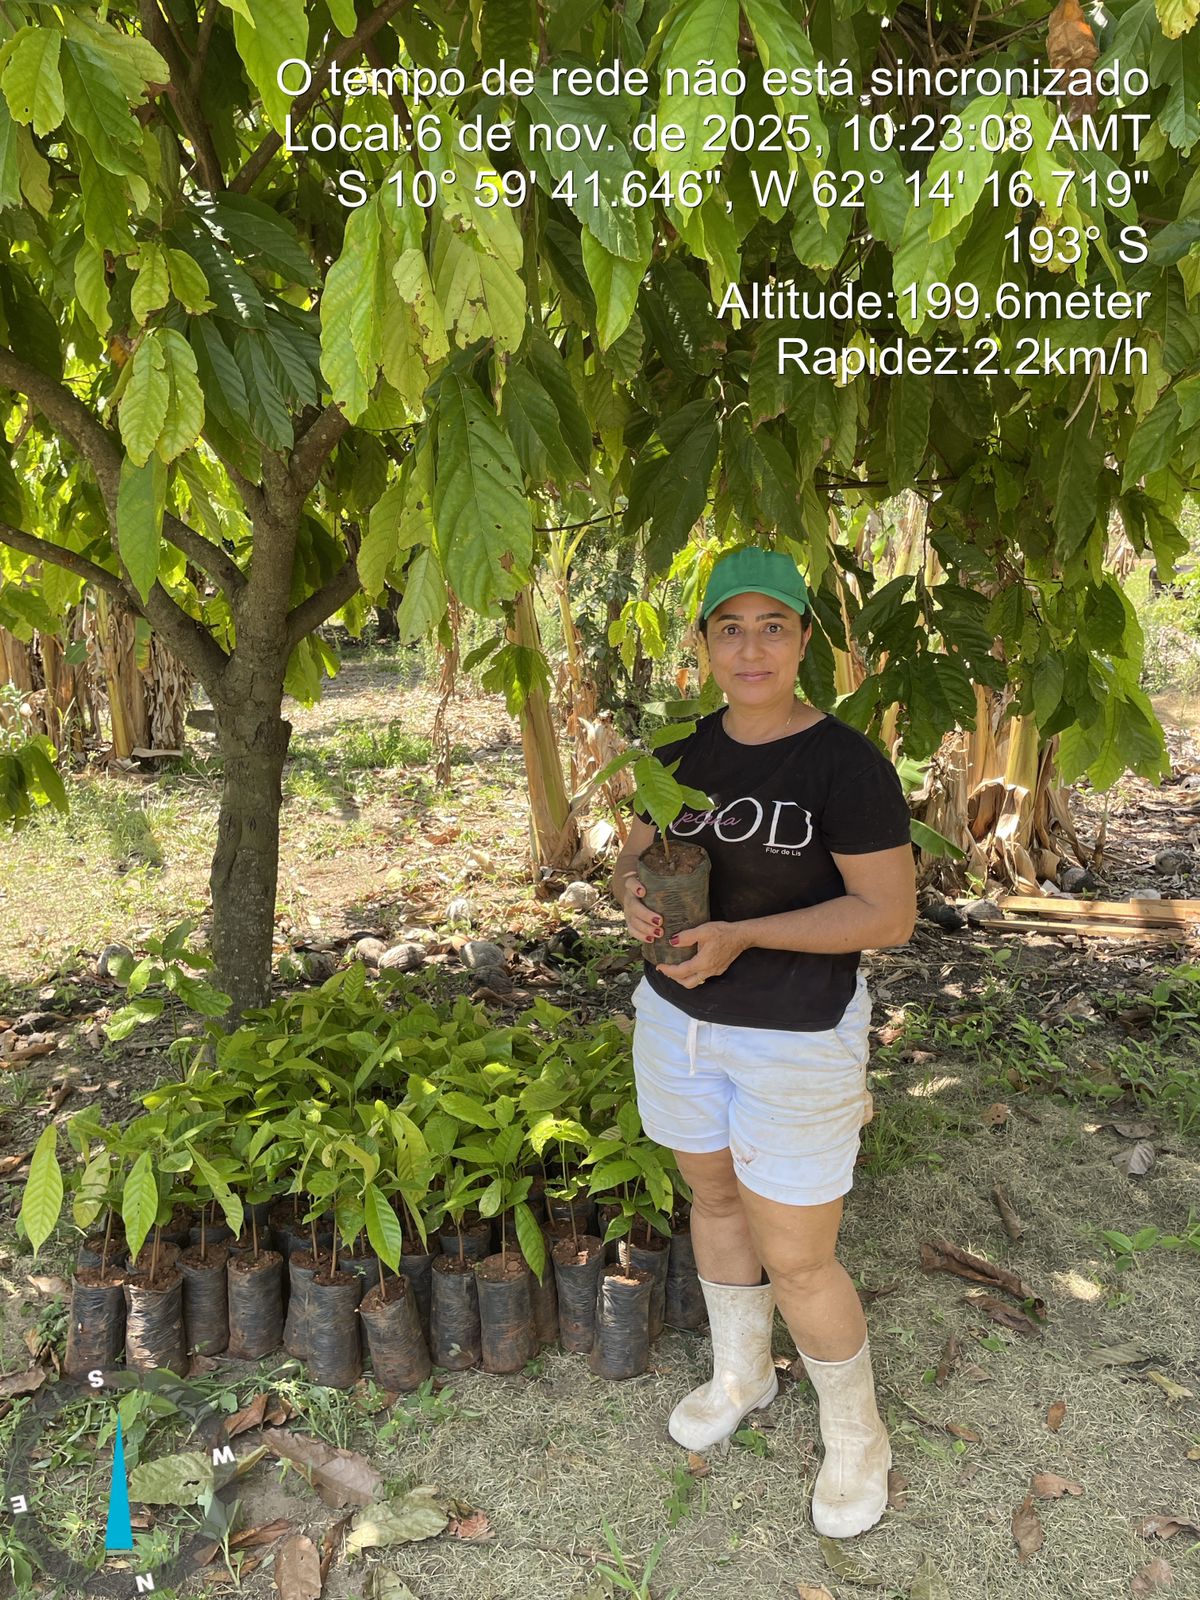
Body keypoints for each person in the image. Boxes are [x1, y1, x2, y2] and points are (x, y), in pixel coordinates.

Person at [610, 547, 916, 1540]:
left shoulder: (845, 764)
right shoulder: (680, 752)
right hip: (679, 1022)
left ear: (803, 641)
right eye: (731, 628)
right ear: (704, 642)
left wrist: (742, 935)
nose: (751, 648)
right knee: (712, 1198)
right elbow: (636, 858)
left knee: (800, 1257)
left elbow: (887, 914)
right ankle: (742, 1373)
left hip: (796, 1035)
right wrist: (634, 900)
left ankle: (857, 1433)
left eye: (773, 627)